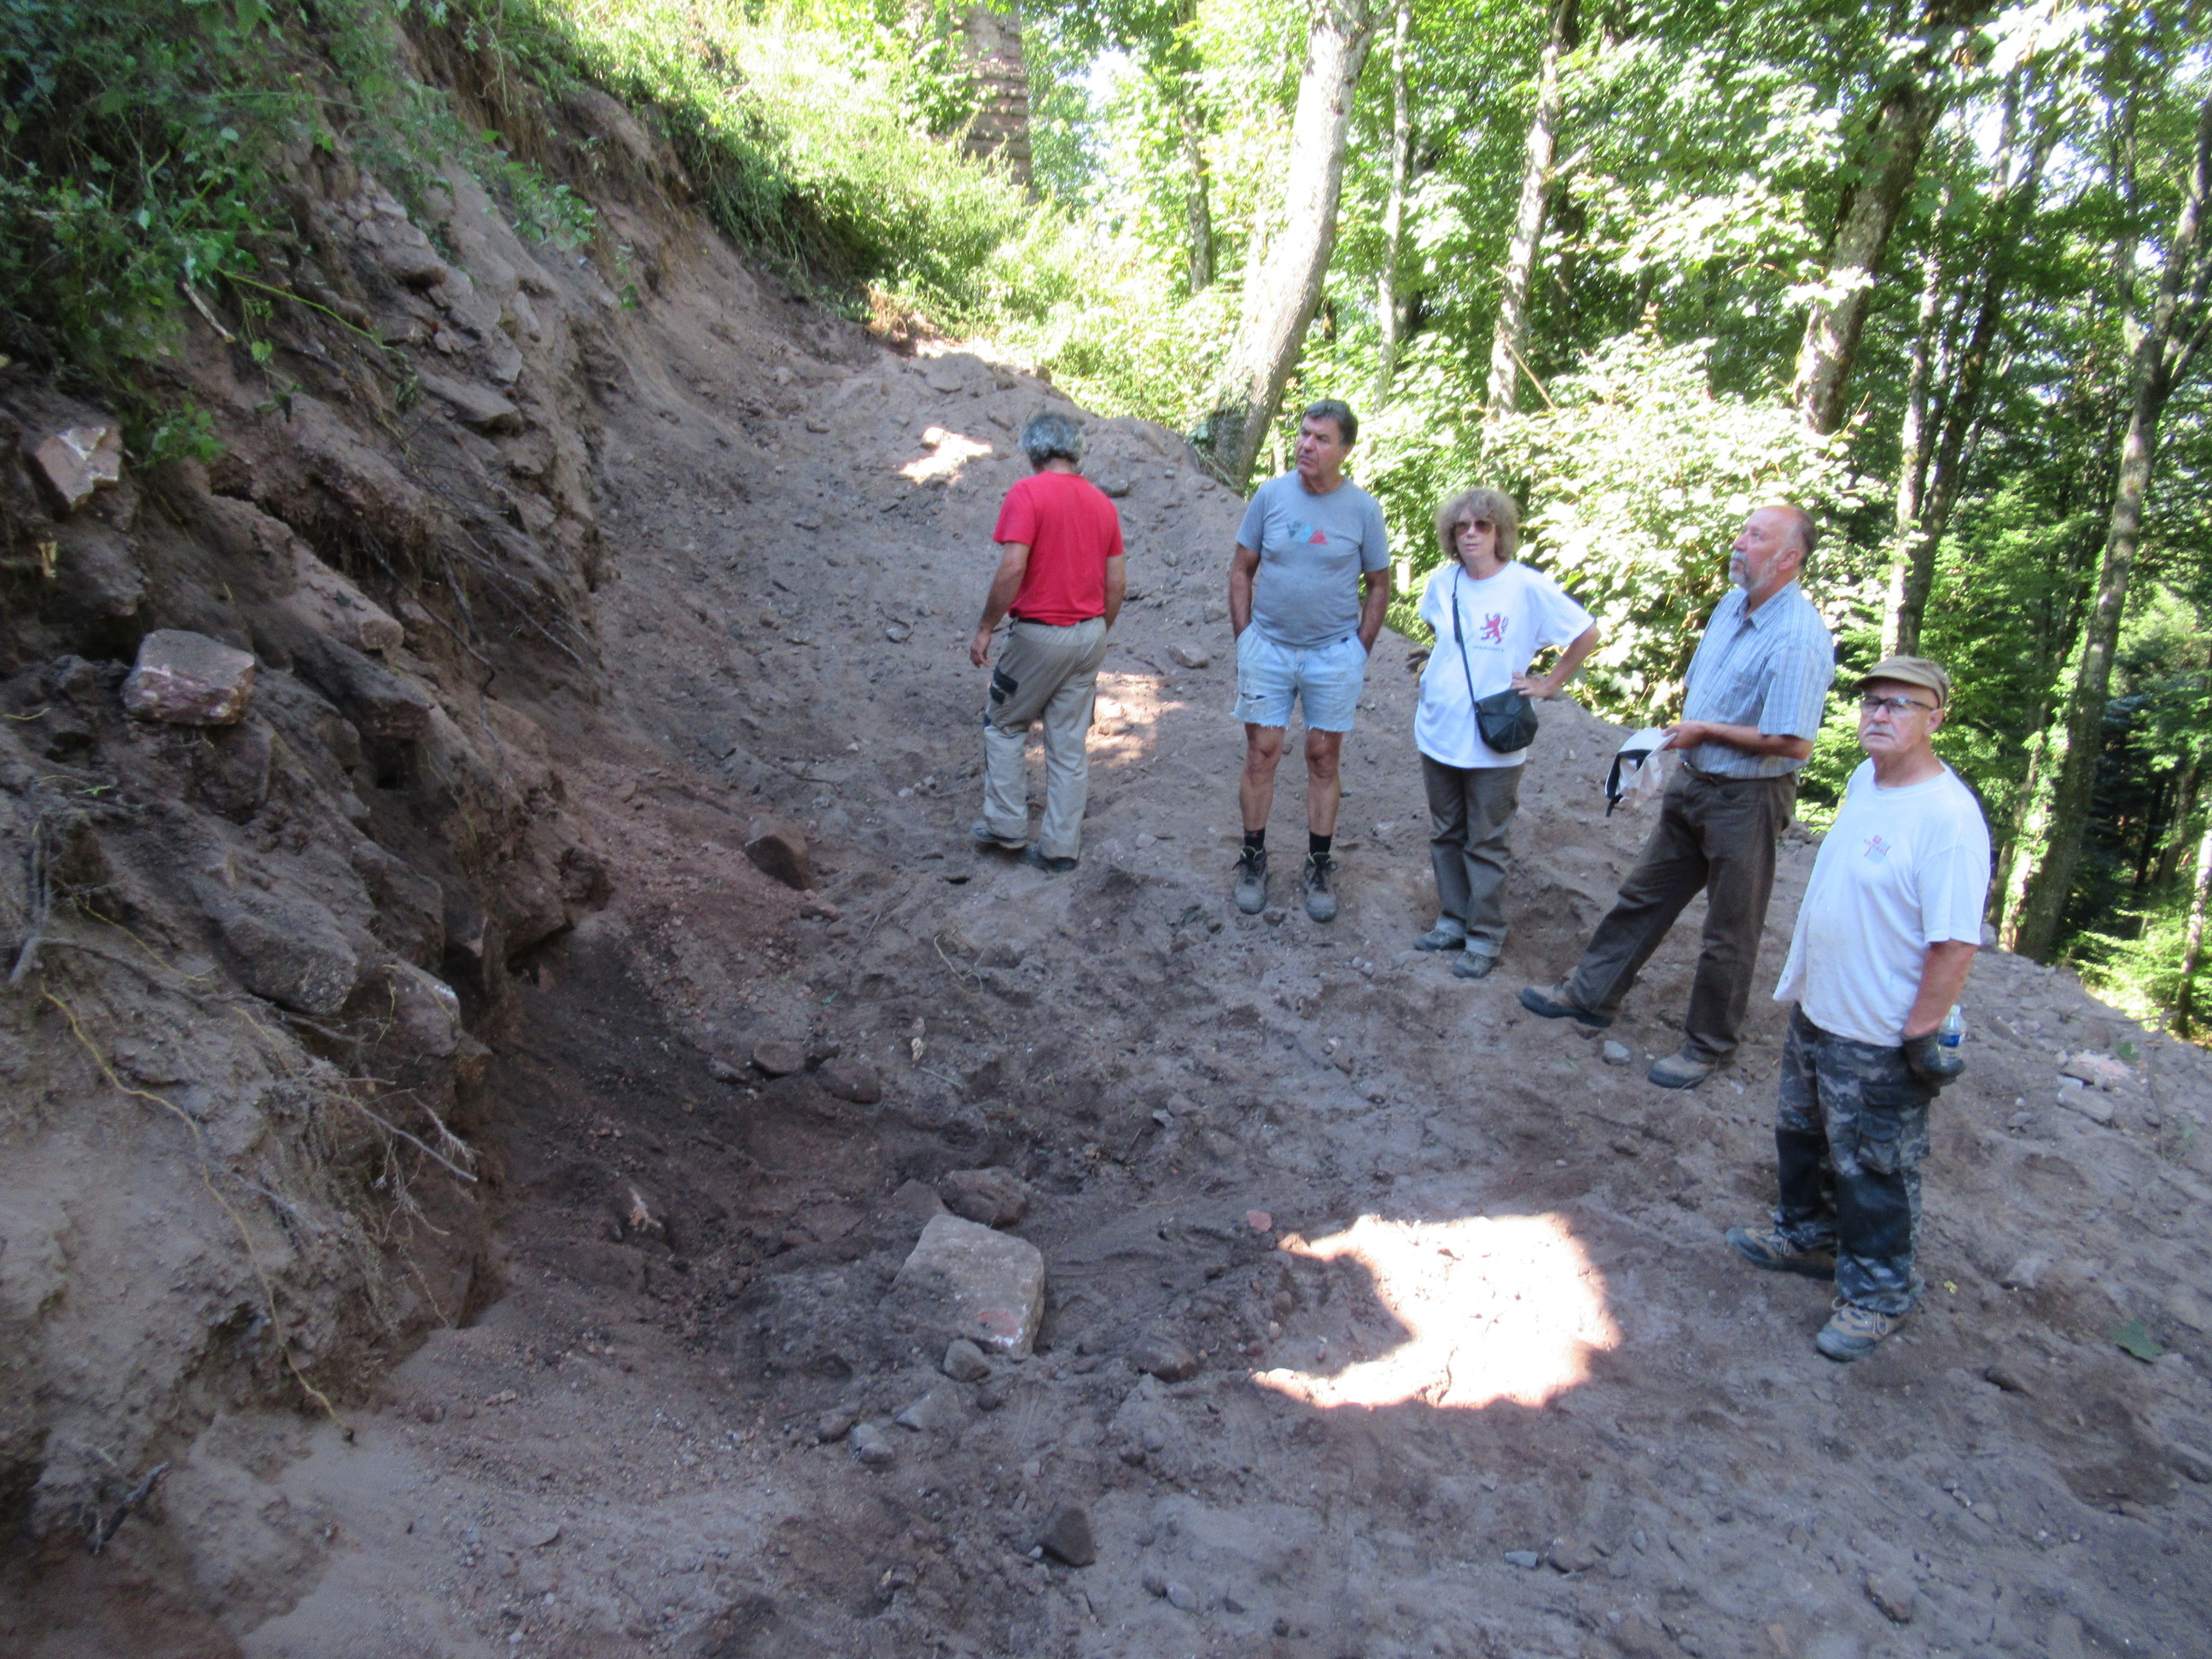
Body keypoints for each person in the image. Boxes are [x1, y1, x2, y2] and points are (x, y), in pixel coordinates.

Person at [1726, 656, 1988, 1362]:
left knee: (1875, 1167)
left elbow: (1955, 943)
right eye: (1872, 701)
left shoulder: (1948, 820)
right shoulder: (1864, 781)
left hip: (1880, 1032)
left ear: (1935, 719)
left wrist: (1922, 1033)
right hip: (1822, 1008)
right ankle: (1808, 1235)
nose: (1880, 714)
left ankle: (1878, 1295)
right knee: (1801, 1135)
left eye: (1901, 704)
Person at [1518, 504, 1835, 1087]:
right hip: (1694, 781)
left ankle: (1709, 1047)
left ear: (1790, 558)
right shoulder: (1731, 605)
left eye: (1756, 536)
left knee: (1730, 929)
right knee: (1644, 894)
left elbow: (1794, 742)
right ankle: (1590, 995)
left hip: (1749, 799)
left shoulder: (1799, 637)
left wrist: (1707, 732)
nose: (1739, 542)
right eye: (1742, 531)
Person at [1412, 487, 1599, 978]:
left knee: (1487, 841)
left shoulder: (1526, 586)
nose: (1471, 534)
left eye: (1482, 525)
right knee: (1446, 832)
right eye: (1462, 526)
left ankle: (1485, 936)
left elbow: (1587, 632)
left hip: (1493, 737)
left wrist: (1550, 684)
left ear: (1500, 532)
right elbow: (1445, 641)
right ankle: (1452, 920)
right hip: (1438, 728)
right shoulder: (1442, 584)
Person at [1228, 399, 1392, 922]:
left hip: (1332, 654)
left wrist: (1359, 648)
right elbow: (1241, 568)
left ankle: (1318, 864)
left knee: (1323, 756)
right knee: (1262, 753)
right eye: (1303, 434)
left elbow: (1379, 584)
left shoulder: (1363, 510)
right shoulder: (1270, 496)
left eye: (1322, 438)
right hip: (1268, 648)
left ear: (1345, 449)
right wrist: (1245, 637)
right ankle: (1253, 858)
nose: (1307, 445)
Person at [968, 411, 1126, 874]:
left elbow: (1013, 567)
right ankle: (1060, 847)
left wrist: (986, 627)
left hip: (1039, 633)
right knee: (1068, 743)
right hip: (1090, 632)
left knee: (1004, 723)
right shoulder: (1102, 504)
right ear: (1075, 450)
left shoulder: (1027, 493)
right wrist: (1097, 630)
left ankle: (1006, 825)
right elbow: (1117, 582)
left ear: (1033, 450)